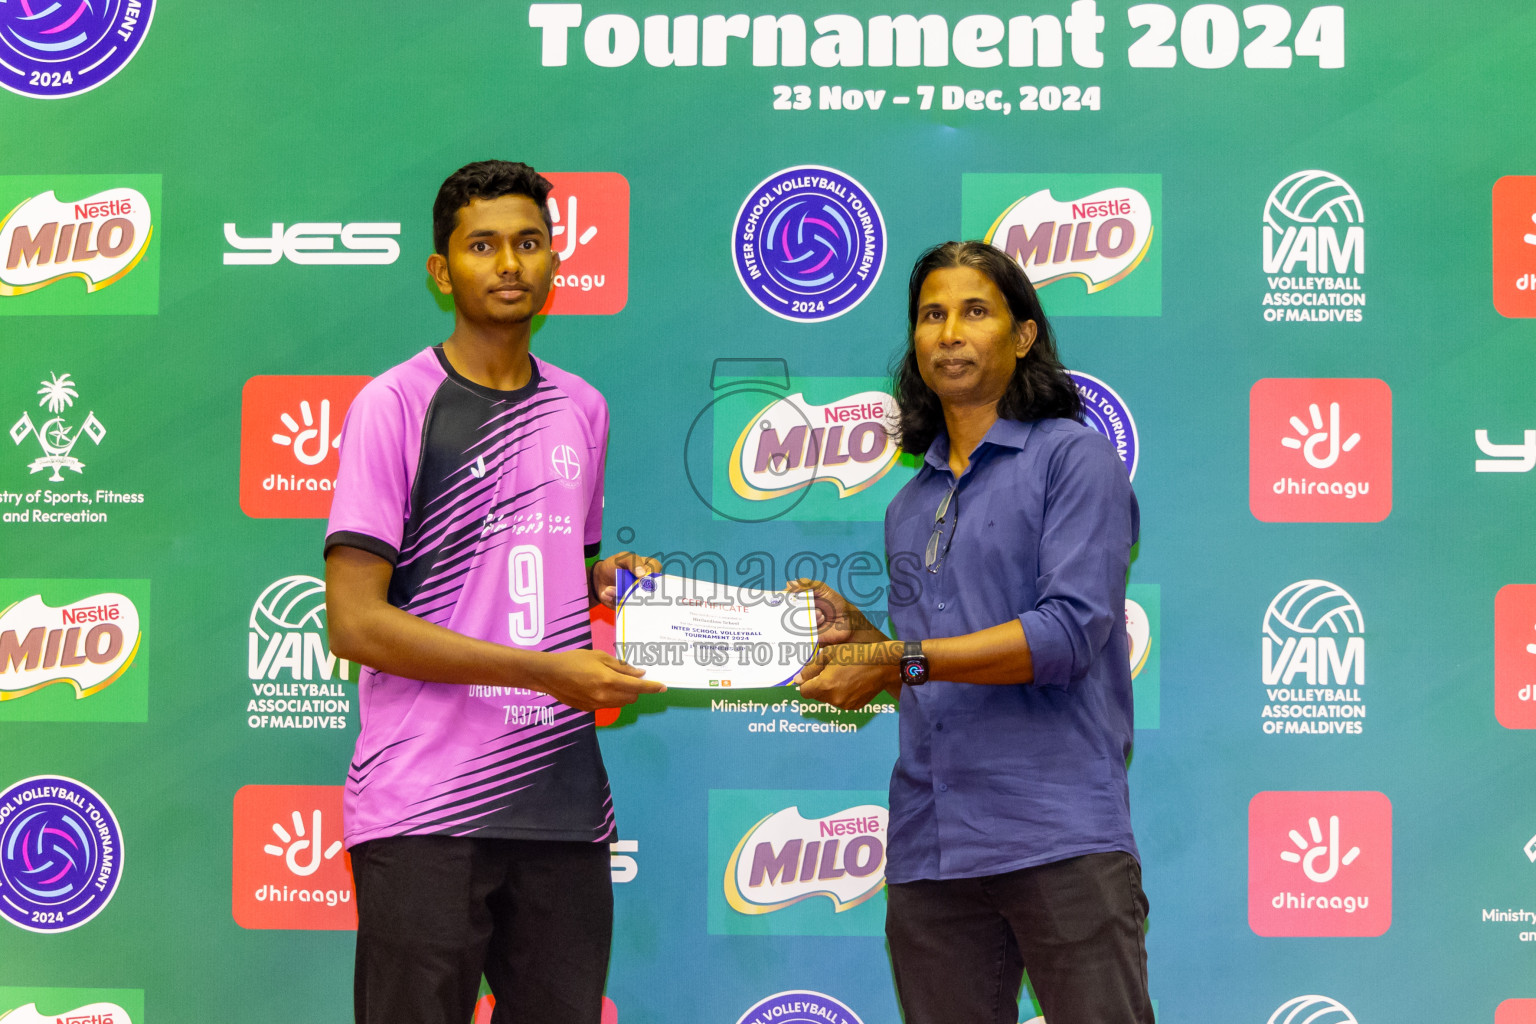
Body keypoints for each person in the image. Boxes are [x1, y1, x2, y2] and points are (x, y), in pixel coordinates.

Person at [323, 159, 664, 1024]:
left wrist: (606, 583)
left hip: (561, 806)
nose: (509, 264)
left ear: (556, 261)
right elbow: (356, 622)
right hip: (422, 809)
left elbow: (546, 565)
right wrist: (548, 673)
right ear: (443, 271)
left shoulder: (582, 408)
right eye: (483, 246)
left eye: (528, 243)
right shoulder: (395, 405)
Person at [794, 240, 1153, 1024]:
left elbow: (1064, 636)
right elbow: (931, 657)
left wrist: (901, 657)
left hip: (1057, 836)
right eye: (931, 314)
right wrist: (859, 638)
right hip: (930, 849)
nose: (949, 332)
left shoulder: (1075, 459)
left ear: (1023, 335)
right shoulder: (907, 503)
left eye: (974, 311)